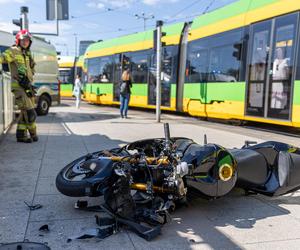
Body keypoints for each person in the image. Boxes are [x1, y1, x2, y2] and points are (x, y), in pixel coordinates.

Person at [0, 29, 37, 143]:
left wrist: (29, 81)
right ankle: (32, 133)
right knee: (30, 112)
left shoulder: (28, 54)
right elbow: (2, 58)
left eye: (27, 40)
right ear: (18, 41)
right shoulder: (13, 51)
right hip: (18, 87)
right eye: (23, 40)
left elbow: (32, 70)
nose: (25, 42)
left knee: (25, 112)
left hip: (28, 86)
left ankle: (21, 136)